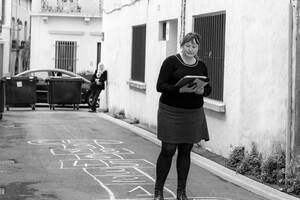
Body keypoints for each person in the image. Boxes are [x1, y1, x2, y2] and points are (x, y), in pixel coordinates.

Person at [154, 32, 212, 200]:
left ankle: (181, 192)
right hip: (170, 111)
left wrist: (203, 90)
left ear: (198, 47)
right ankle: (158, 191)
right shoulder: (171, 62)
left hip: (193, 113)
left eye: (194, 46)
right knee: (168, 149)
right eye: (188, 46)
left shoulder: (201, 65)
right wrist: (180, 89)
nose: (190, 49)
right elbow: (160, 86)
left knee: (186, 150)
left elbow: (208, 88)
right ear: (182, 45)